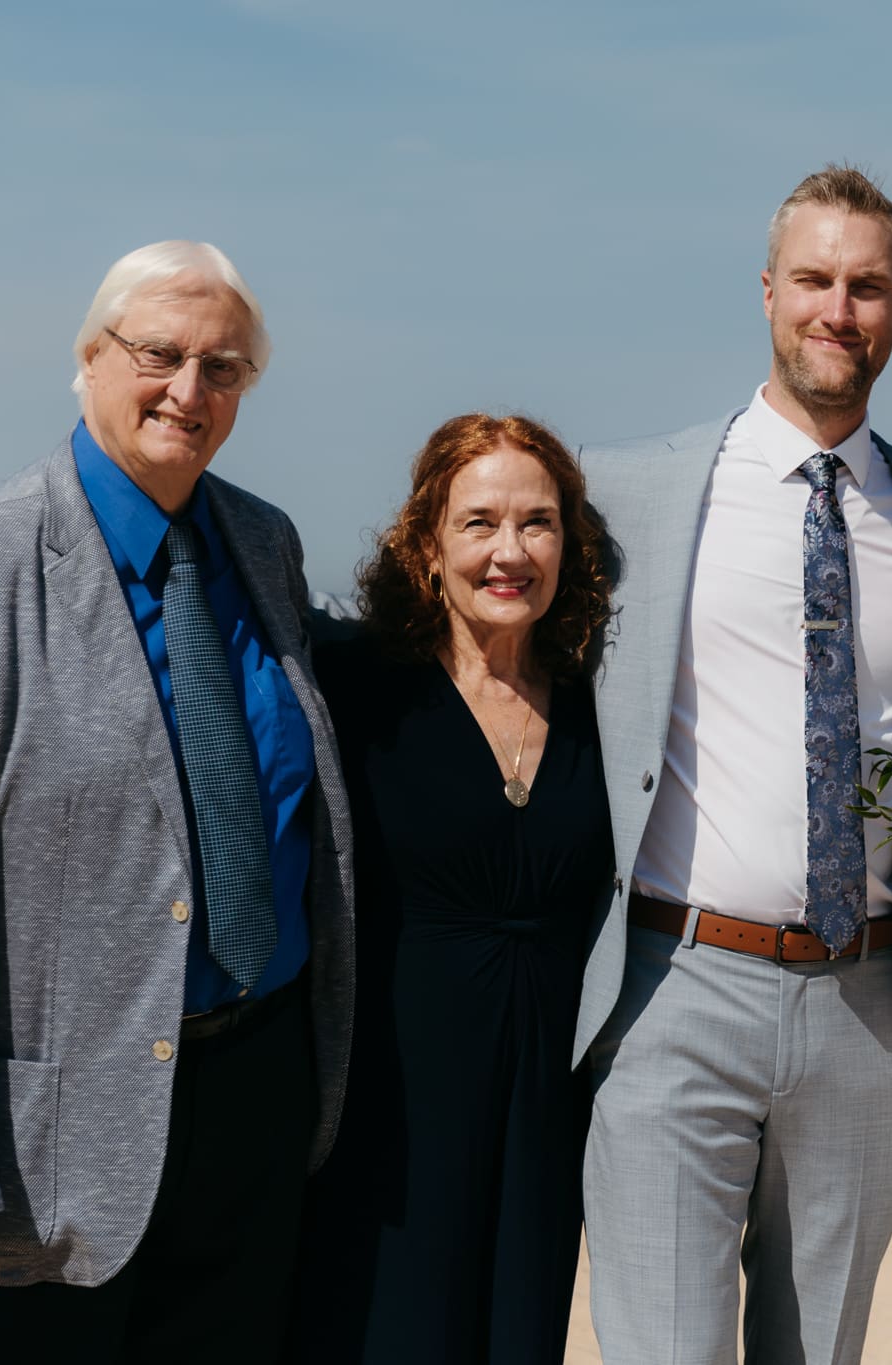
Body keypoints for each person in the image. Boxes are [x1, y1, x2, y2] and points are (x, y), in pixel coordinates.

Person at [0, 240, 354, 1362]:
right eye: (159, 355)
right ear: (90, 357)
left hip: (255, 1099)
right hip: (53, 1146)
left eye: (223, 368)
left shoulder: (261, 544)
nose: (188, 391)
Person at [575, 164, 892, 1363]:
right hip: (672, 987)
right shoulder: (634, 490)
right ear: (767, 291)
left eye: (866, 287)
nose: (837, 310)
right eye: (814, 279)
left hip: (864, 1005)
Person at [293, 413, 615, 1363]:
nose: (509, 552)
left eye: (538, 522)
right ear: (426, 544)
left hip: (549, 1109)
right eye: (479, 522)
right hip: (390, 1104)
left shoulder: (604, 701)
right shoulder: (352, 682)